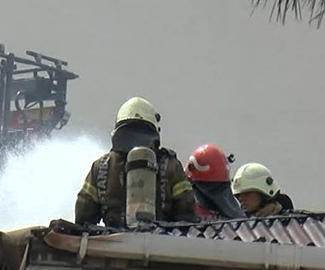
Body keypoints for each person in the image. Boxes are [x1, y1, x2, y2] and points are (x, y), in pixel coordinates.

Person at [75, 97, 196, 227]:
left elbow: (83, 215)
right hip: (160, 238)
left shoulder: (100, 167)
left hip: (114, 238)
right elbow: (186, 212)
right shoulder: (171, 165)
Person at [185, 143, 246, 220]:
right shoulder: (186, 211)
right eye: (208, 186)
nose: (217, 196)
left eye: (220, 188)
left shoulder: (234, 215)